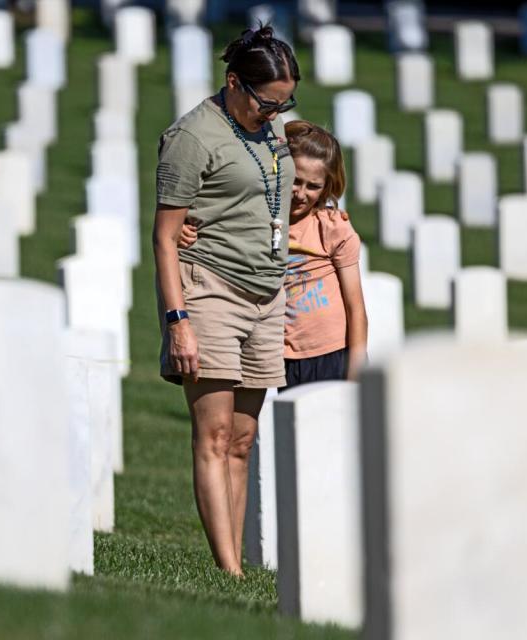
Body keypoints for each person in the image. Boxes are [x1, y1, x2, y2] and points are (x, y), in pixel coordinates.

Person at [152, 25, 300, 577]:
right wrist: (178, 322)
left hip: (266, 294)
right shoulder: (193, 137)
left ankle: (233, 562)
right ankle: (228, 572)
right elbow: (165, 236)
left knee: (242, 438)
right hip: (210, 290)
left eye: (285, 103)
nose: (276, 113)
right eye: (268, 102)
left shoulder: (272, 131)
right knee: (213, 435)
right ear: (233, 82)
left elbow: (273, 193)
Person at [180, 121, 369, 386]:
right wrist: (184, 232)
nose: (301, 194)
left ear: (326, 187)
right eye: (295, 181)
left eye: (313, 186)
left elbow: (356, 306)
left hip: (331, 353)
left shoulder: (332, 227)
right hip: (276, 351)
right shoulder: (254, 217)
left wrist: (357, 370)